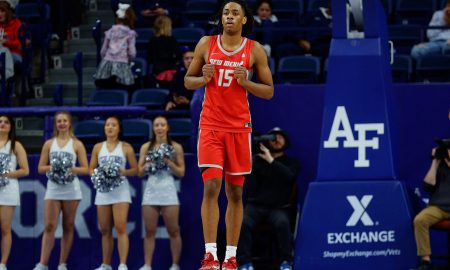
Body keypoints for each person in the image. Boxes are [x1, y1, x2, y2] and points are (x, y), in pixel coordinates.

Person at [184, 0, 274, 269]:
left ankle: (231, 256)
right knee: (211, 186)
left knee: (235, 193)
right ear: (221, 18)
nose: (230, 17)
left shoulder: (254, 50)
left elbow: (269, 91)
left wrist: (246, 82)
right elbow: (188, 81)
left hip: (239, 128)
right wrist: (203, 79)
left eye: (235, 13)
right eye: (226, 13)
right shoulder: (205, 43)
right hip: (211, 125)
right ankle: (211, 255)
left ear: (245, 20)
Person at [237, 127, 300, 270]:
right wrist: (253, 160)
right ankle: (245, 263)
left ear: (286, 141)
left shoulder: (291, 162)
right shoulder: (258, 161)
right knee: (241, 222)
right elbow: (249, 182)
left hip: (278, 207)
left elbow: (290, 176)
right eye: (273, 137)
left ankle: (286, 262)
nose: (276, 140)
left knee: (283, 224)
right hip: (255, 206)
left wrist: (271, 160)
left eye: (280, 137)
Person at [33, 111, 89, 270]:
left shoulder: (77, 144)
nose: (62, 123)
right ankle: (43, 264)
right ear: (56, 124)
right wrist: (54, 167)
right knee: (49, 225)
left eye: (65, 121)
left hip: (71, 189)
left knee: (68, 225)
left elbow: (85, 168)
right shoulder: (49, 144)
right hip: (53, 188)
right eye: (59, 121)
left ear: (69, 123)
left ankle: (62, 264)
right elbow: (40, 168)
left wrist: (70, 169)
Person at [89, 116, 138, 270]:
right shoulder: (98, 147)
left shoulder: (126, 147)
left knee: (121, 227)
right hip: (103, 190)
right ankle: (106, 264)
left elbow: (136, 169)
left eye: (113, 125)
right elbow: (91, 168)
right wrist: (98, 176)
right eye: (107, 125)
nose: (110, 127)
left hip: (120, 190)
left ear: (119, 129)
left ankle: (122, 264)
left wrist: (122, 172)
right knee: (105, 229)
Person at [137, 116, 185, 270]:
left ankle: (175, 264)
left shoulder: (176, 147)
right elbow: (139, 172)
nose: (159, 128)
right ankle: (147, 265)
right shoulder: (146, 147)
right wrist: (149, 164)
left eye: (162, 125)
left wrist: (168, 161)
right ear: (153, 128)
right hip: (151, 191)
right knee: (149, 231)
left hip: (168, 191)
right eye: (156, 125)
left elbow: (181, 172)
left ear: (167, 127)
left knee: (174, 230)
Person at [413, 143, 450, 270]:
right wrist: (435, 162)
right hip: (438, 207)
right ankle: (426, 261)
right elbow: (427, 186)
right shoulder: (439, 165)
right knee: (420, 220)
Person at [0, 115, 29, 270]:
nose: (3, 124)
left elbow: (25, 170)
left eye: (6, 122)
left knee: (5, 228)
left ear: (11, 126)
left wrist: (5, 174)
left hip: (8, 189)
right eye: (0, 122)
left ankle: (3, 264)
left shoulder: (15, 145)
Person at [94, 3, 137, 91]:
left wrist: (107, 60)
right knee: (125, 88)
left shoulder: (110, 32)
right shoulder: (130, 33)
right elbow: (132, 53)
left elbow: (102, 52)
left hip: (106, 67)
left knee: (105, 89)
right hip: (122, 67)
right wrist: (128, 59)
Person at [147, 15, 181, 89]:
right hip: (170, 70)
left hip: (157, 71)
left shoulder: (152, 40)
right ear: (168, 27)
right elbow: (178, 55)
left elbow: (150, 58)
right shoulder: (171, 40)